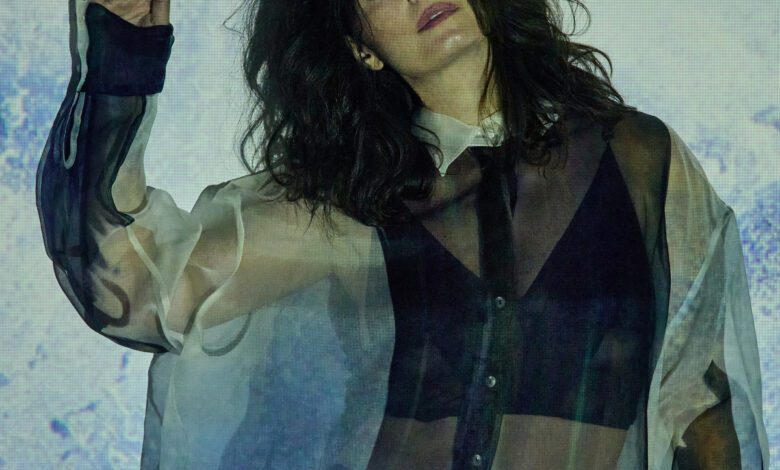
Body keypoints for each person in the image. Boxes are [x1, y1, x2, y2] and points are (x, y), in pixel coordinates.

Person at [36, 0, 769, 468]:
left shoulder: (640, 162)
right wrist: (120, 55)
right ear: (359, 44)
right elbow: (126, 278)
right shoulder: (340, 211)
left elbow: (701, 406)